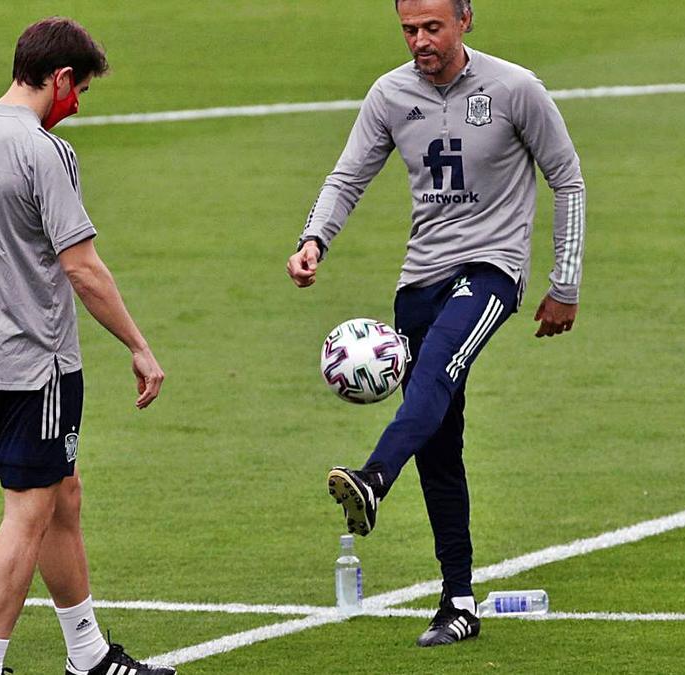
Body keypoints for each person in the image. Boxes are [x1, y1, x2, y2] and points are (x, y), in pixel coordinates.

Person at [287, 0, 585, 647]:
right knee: (439, 442)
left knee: (439, 363)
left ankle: (372, 477)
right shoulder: (390, 95)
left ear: (465, 21)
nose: (419, 41)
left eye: (432, 28)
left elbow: (568, 179)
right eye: (408, 30)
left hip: (491, 272)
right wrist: (315, 240)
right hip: (418, 284)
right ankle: (458, 599)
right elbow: (347, 176)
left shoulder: (515, 89)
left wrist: (565, 282)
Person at [0, 17, 173, 675]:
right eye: (80, 92)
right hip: (40, 364)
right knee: (28, 512)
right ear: (60, 78)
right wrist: (138, 344)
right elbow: (82, 267)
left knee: (62, 493)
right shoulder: (46, 151)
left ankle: (88, 652)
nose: (75, 106)